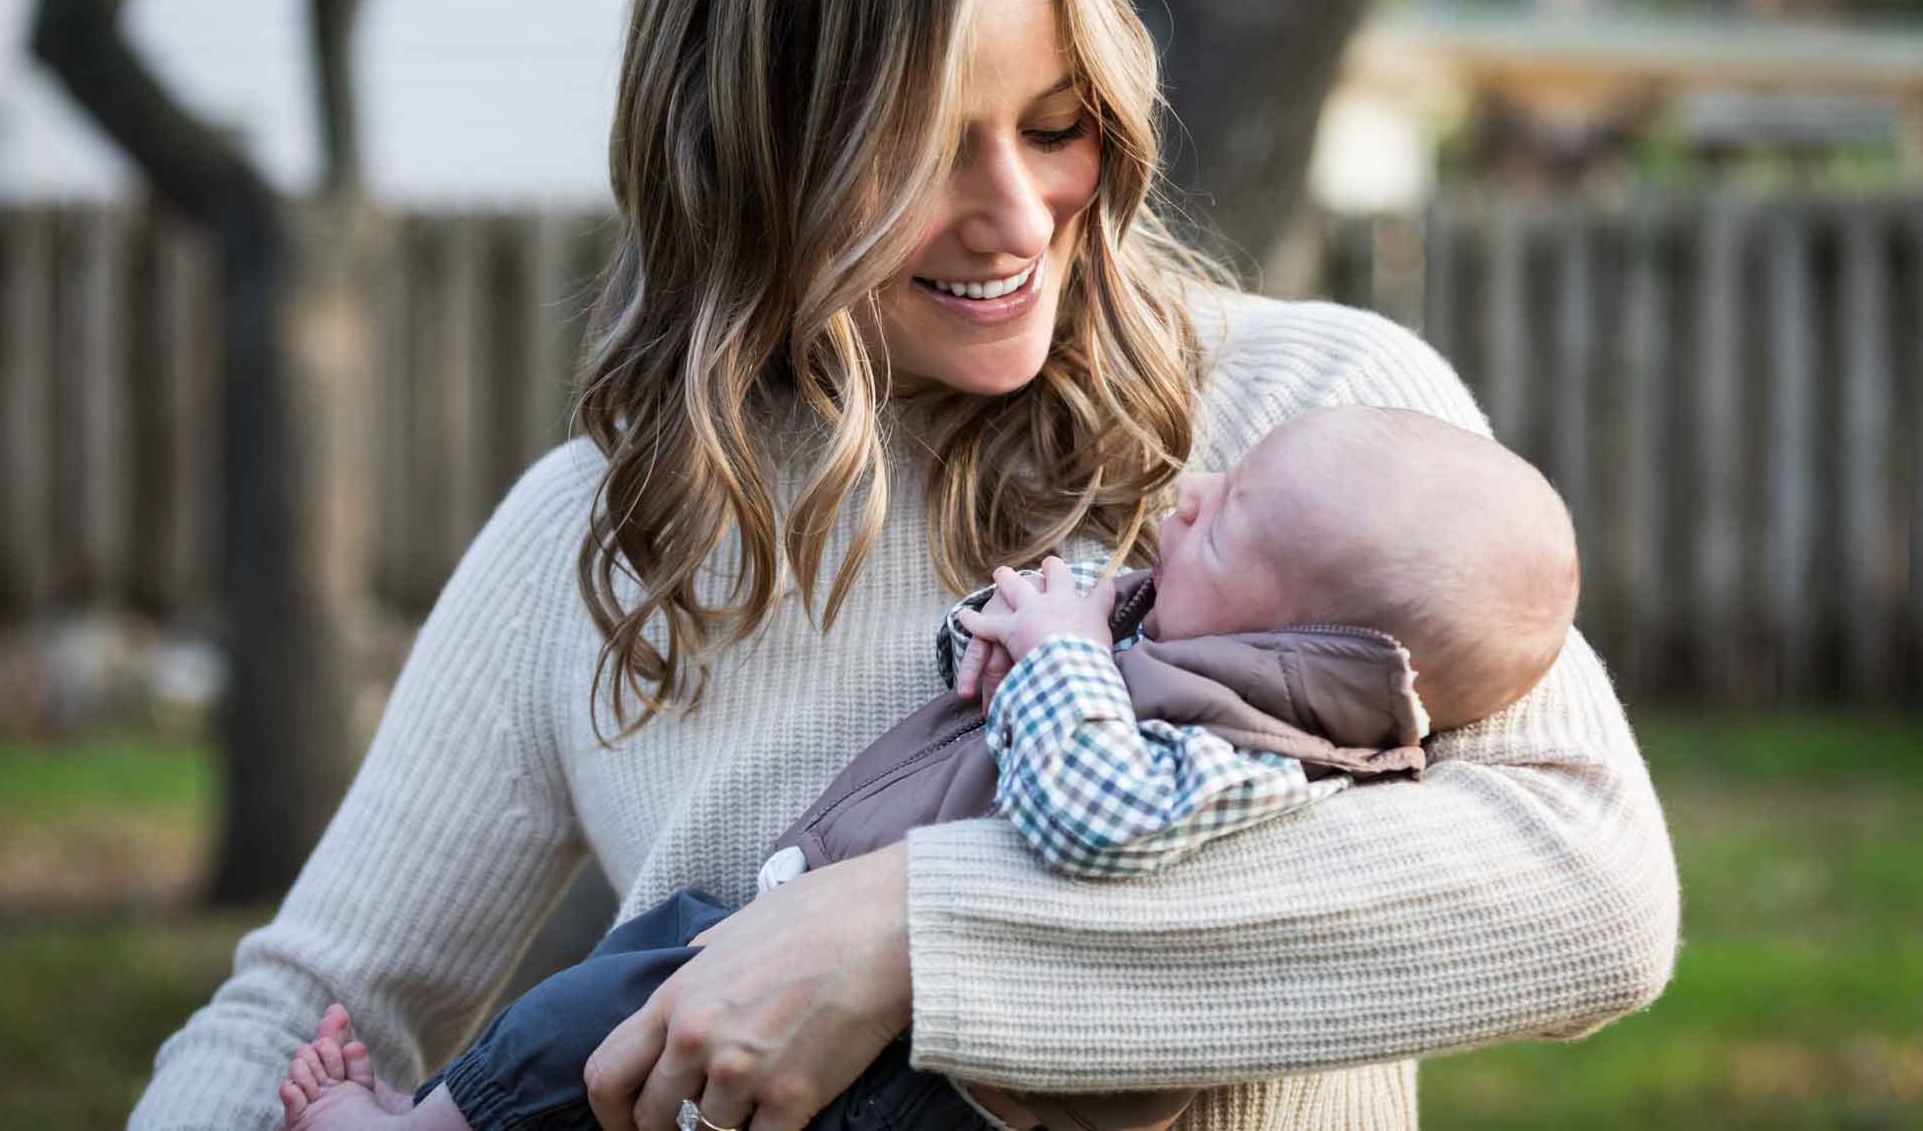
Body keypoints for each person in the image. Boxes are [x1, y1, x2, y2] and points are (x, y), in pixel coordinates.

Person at [129, 0, 1679, 1130]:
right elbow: (308, 1006)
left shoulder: (1312, 418)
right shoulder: (596, 537)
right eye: (925, 148)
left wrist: (908, 933)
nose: (1018, 216)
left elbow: (1586, 891)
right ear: (744, 154)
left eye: (1059, 123)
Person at [268, 405, 1584, 1131]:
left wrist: (1058, 663)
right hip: (791, 987)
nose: (1192, 492)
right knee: (616, 1009)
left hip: (935, 1083)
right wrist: (1013, 633)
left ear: (1309, 642)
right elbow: (310, 977)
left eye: (1229, 522)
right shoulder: (1186, 628)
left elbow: (1097, 814)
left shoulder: (1266, 746)